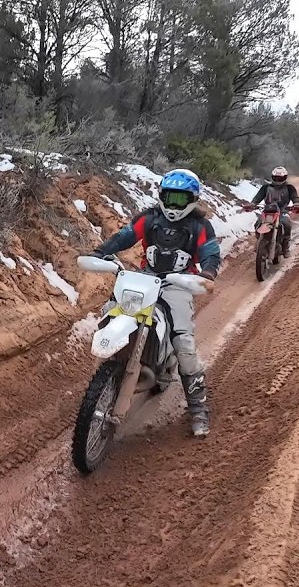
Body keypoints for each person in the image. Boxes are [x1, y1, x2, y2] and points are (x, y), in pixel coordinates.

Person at [89, 168, 220, 437]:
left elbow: (210, 252)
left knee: (183, 343)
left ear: (192, 200)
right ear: (161, 196)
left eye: (180, 200)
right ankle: (111, 371)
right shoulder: (149, 219)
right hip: (145, 279)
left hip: (179, 283)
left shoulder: (199, 226)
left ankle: (198, 408)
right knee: (110, 311)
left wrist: (208, 272)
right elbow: (124, 236)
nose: (173, 205)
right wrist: (102, 251)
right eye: (169, 198)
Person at [250, 166, 299, 257]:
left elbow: (295, 197)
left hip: (283, 211)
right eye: (276, 178)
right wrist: (253, 203)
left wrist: (296, 204)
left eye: (280, 178)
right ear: (272, 177)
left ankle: (285, 247)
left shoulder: (289, 187)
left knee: (286, 224)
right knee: (258, 223)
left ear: (285, 177)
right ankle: (260, 241)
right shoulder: (266, 187)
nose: (278, 180)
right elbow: (258, 197)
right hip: (268, 211)